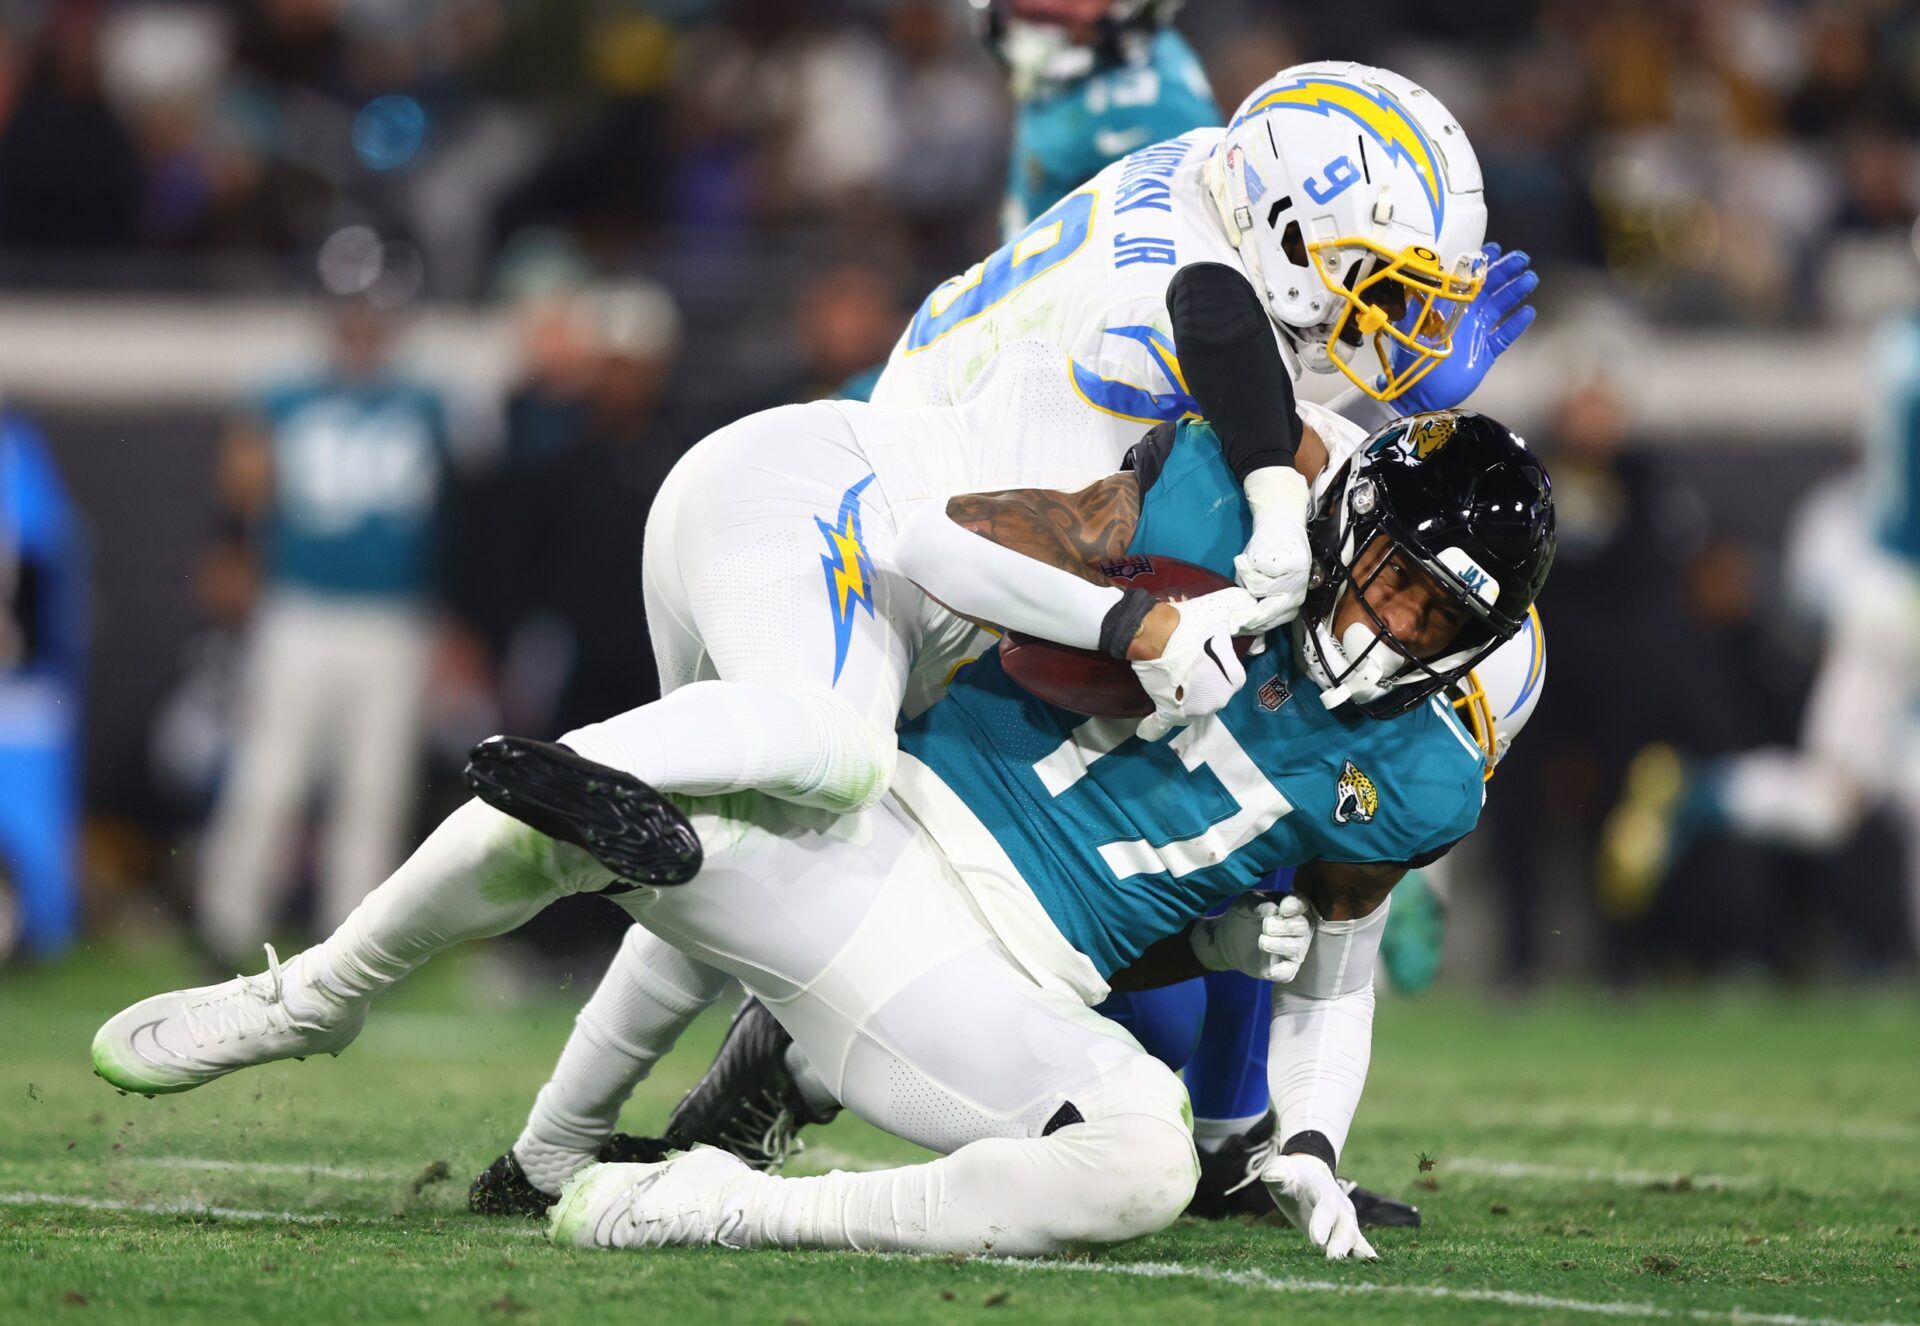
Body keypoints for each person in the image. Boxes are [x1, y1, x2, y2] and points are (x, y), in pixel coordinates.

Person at [94, 402, 1554, 1262]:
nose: (1396, 622)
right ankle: (308, 999)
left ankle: (725, 1204)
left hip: (998, 991)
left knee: (1142, 1163)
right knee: (582, 818)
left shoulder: (1428, 775)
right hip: (872, 840)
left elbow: (1332, 982)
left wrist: (1307, 1134)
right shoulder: (1199, 506)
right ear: (1344, 516)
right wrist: (1139, 614)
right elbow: (948, 537)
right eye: (1395, 578)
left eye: (1442, 617)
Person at [1599, 308, 1920, 947]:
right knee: (1831, 805)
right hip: (1897, 602)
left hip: (1887, 598)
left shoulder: (1895, 351)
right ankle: (1695, 795)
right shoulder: (1902, 358)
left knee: (1852, 803)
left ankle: (1700, 794)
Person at [193, 298, 450, 965]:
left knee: (376, 786)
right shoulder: (283, 394)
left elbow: (459, 510)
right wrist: (231, 554)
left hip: (396, 613)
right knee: (270, 772)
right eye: (351, 316)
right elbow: (241, 485)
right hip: (300, 606)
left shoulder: (430, 401)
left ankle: (353, 937)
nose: (362, 331)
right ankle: (227, 919)